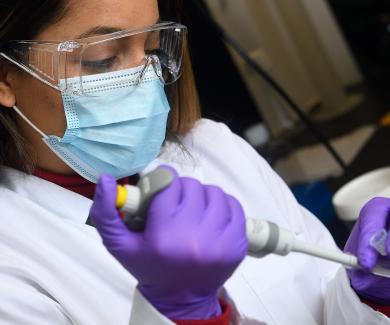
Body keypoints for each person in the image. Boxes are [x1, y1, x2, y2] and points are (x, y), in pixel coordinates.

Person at [0, 0, 389, 324]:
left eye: (152, 49)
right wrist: (181, 314)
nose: (145, 78)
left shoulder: (211, 146)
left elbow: (322, 305)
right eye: (102, 60)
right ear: (5, 77)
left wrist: (368, 296)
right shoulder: (11, 265)